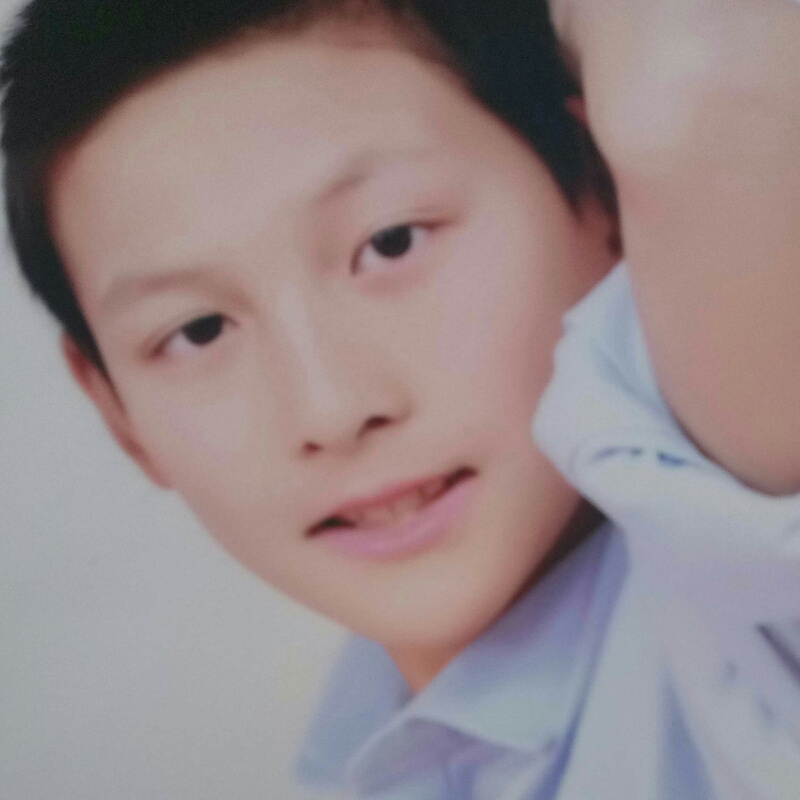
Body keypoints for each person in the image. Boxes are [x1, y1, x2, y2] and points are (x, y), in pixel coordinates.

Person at [1, 0, 798, 797]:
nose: (332, 411)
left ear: (598, 185)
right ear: (117, 414)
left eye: (391, 242)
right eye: (199, 331)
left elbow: (701, 82)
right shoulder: (357, 755)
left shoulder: (746, 609)